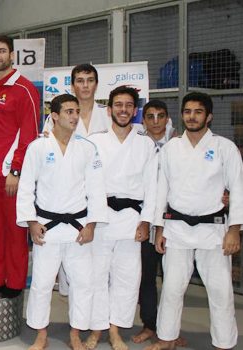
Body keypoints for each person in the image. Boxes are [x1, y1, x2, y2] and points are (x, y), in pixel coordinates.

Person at [147, 92, 243, 350]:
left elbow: (238, 189)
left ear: (209, 117)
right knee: (172, 287)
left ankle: (224, 343)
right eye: (187, 111)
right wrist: (159, 228)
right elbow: (162, 189)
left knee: (220, 291)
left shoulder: (224, 148)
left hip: (213, 229)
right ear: (182, 116)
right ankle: (167, 338)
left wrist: (234, 230)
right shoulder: (172, 148)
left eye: (197, 112)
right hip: (176, 228)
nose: (192, 116)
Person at [17, 94, 108, 350]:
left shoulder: (88, 148)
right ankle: (41, 334)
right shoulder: (38, 148)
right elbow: (26, 188)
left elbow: (97, 190)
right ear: (54, 116)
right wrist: (31, 222)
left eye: (77, 111)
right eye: (69, 111)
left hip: (78, 228)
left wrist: (91, 224)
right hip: (47, 226)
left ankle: (75, 333)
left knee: (83, 283)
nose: (74, 116)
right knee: (42, 283)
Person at [83, 86, 158, 350]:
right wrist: (90, 220)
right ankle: (97, 329)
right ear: (110, 109)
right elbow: (87, 183)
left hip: (131, 219)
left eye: (128, 105)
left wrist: (146, 221)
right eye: (118, 105)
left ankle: (115, 330)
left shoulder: (145, 144)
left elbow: (153, 186)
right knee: (97, 277)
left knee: (127, 278)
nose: (123, 110)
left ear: (134, 110)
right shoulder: (95, 141)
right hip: (101, 217)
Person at [0, 35, 40, 298]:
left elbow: (28, 135)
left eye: (2, 51)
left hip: (10, 175)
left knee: (15, 231)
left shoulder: (24, 89)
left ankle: (14, 283)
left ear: (12, 55)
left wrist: (15, 171)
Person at [131, 99, 186, 347]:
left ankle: (171, 330)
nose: (155, 121)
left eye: (160, 116)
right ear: (143, 120)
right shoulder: (137, 145)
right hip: (146, 219)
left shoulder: (179, 145)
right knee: (147, 277)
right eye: (150, 116)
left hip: (174, 221)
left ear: (167, 119)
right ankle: (150, 325)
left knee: (175, 280)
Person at [43, 63, 109, 136]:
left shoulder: (109, 114)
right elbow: (47, 144)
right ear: (72, 86)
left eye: (90, 80)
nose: (85, 85)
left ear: (96, 85)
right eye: (80, 81)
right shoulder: (57, 116)